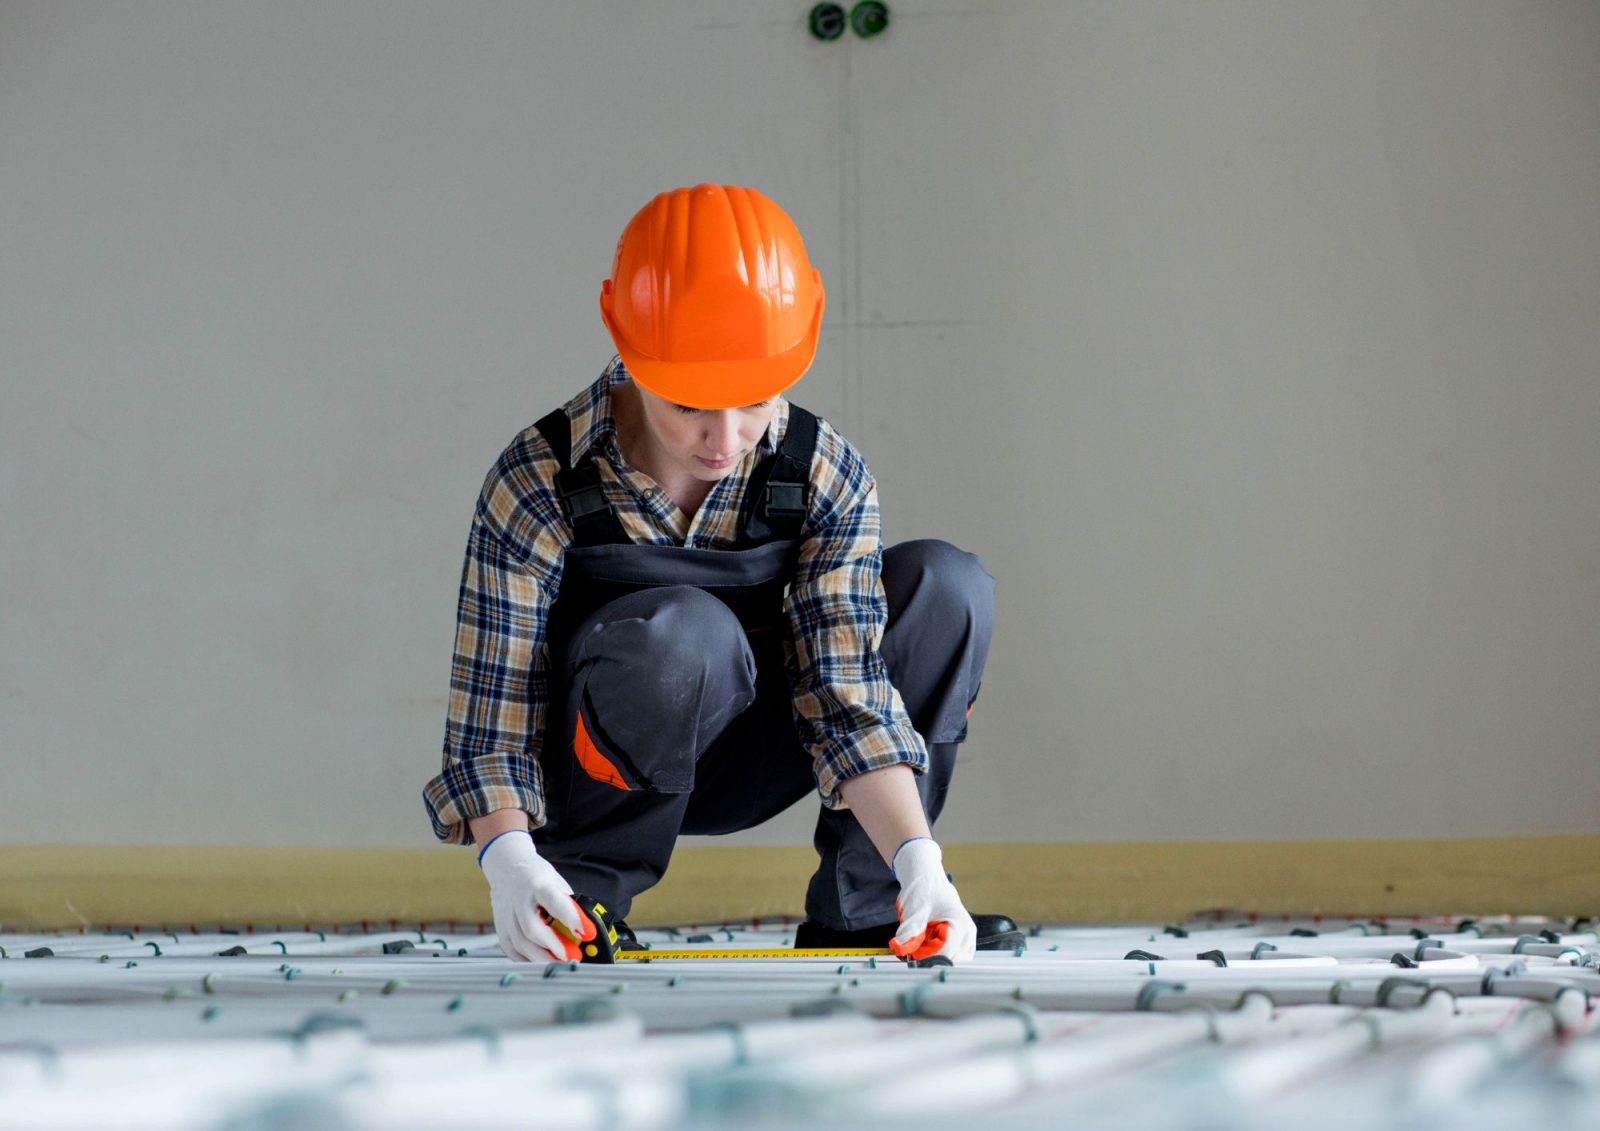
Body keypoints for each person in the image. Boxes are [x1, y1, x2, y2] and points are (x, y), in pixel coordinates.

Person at [422, 184, 1013, 965]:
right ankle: (580, 900)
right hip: (603, 773)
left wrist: (919, 858)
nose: (723, 440)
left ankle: (872, 905)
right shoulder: (541, 480)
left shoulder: (825, 474)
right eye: (688, 405)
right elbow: (492, 722)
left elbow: (850, 697)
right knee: (685, 633)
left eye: (754, 403)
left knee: (946, 587)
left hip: (769, 752)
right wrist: (510, 862)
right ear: (625, 344)